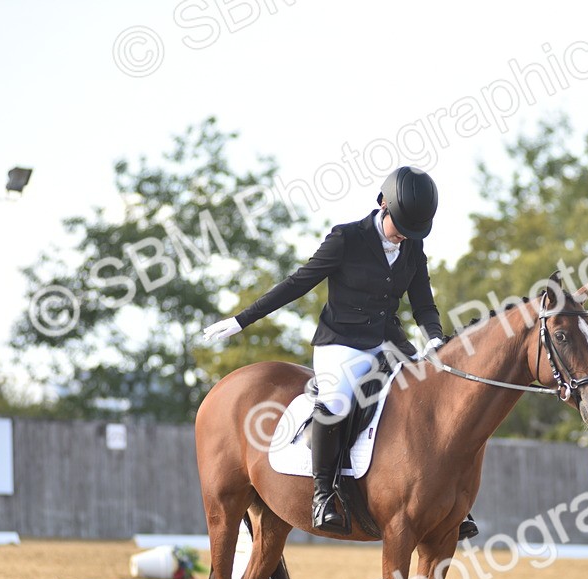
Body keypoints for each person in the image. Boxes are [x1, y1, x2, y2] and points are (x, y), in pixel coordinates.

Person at [202, 166, 478, 540]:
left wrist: (433, 339)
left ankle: (447, 502)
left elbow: (424, 304)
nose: (403, 237)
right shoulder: (346, 238)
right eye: (400, 226)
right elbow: (297, 283)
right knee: (336, 401)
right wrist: (242, 320)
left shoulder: (413, 246)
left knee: (432, 399)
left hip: (390, 342)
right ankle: (323, 493)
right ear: (383, 203)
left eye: (412, 232)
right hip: (341, 343)